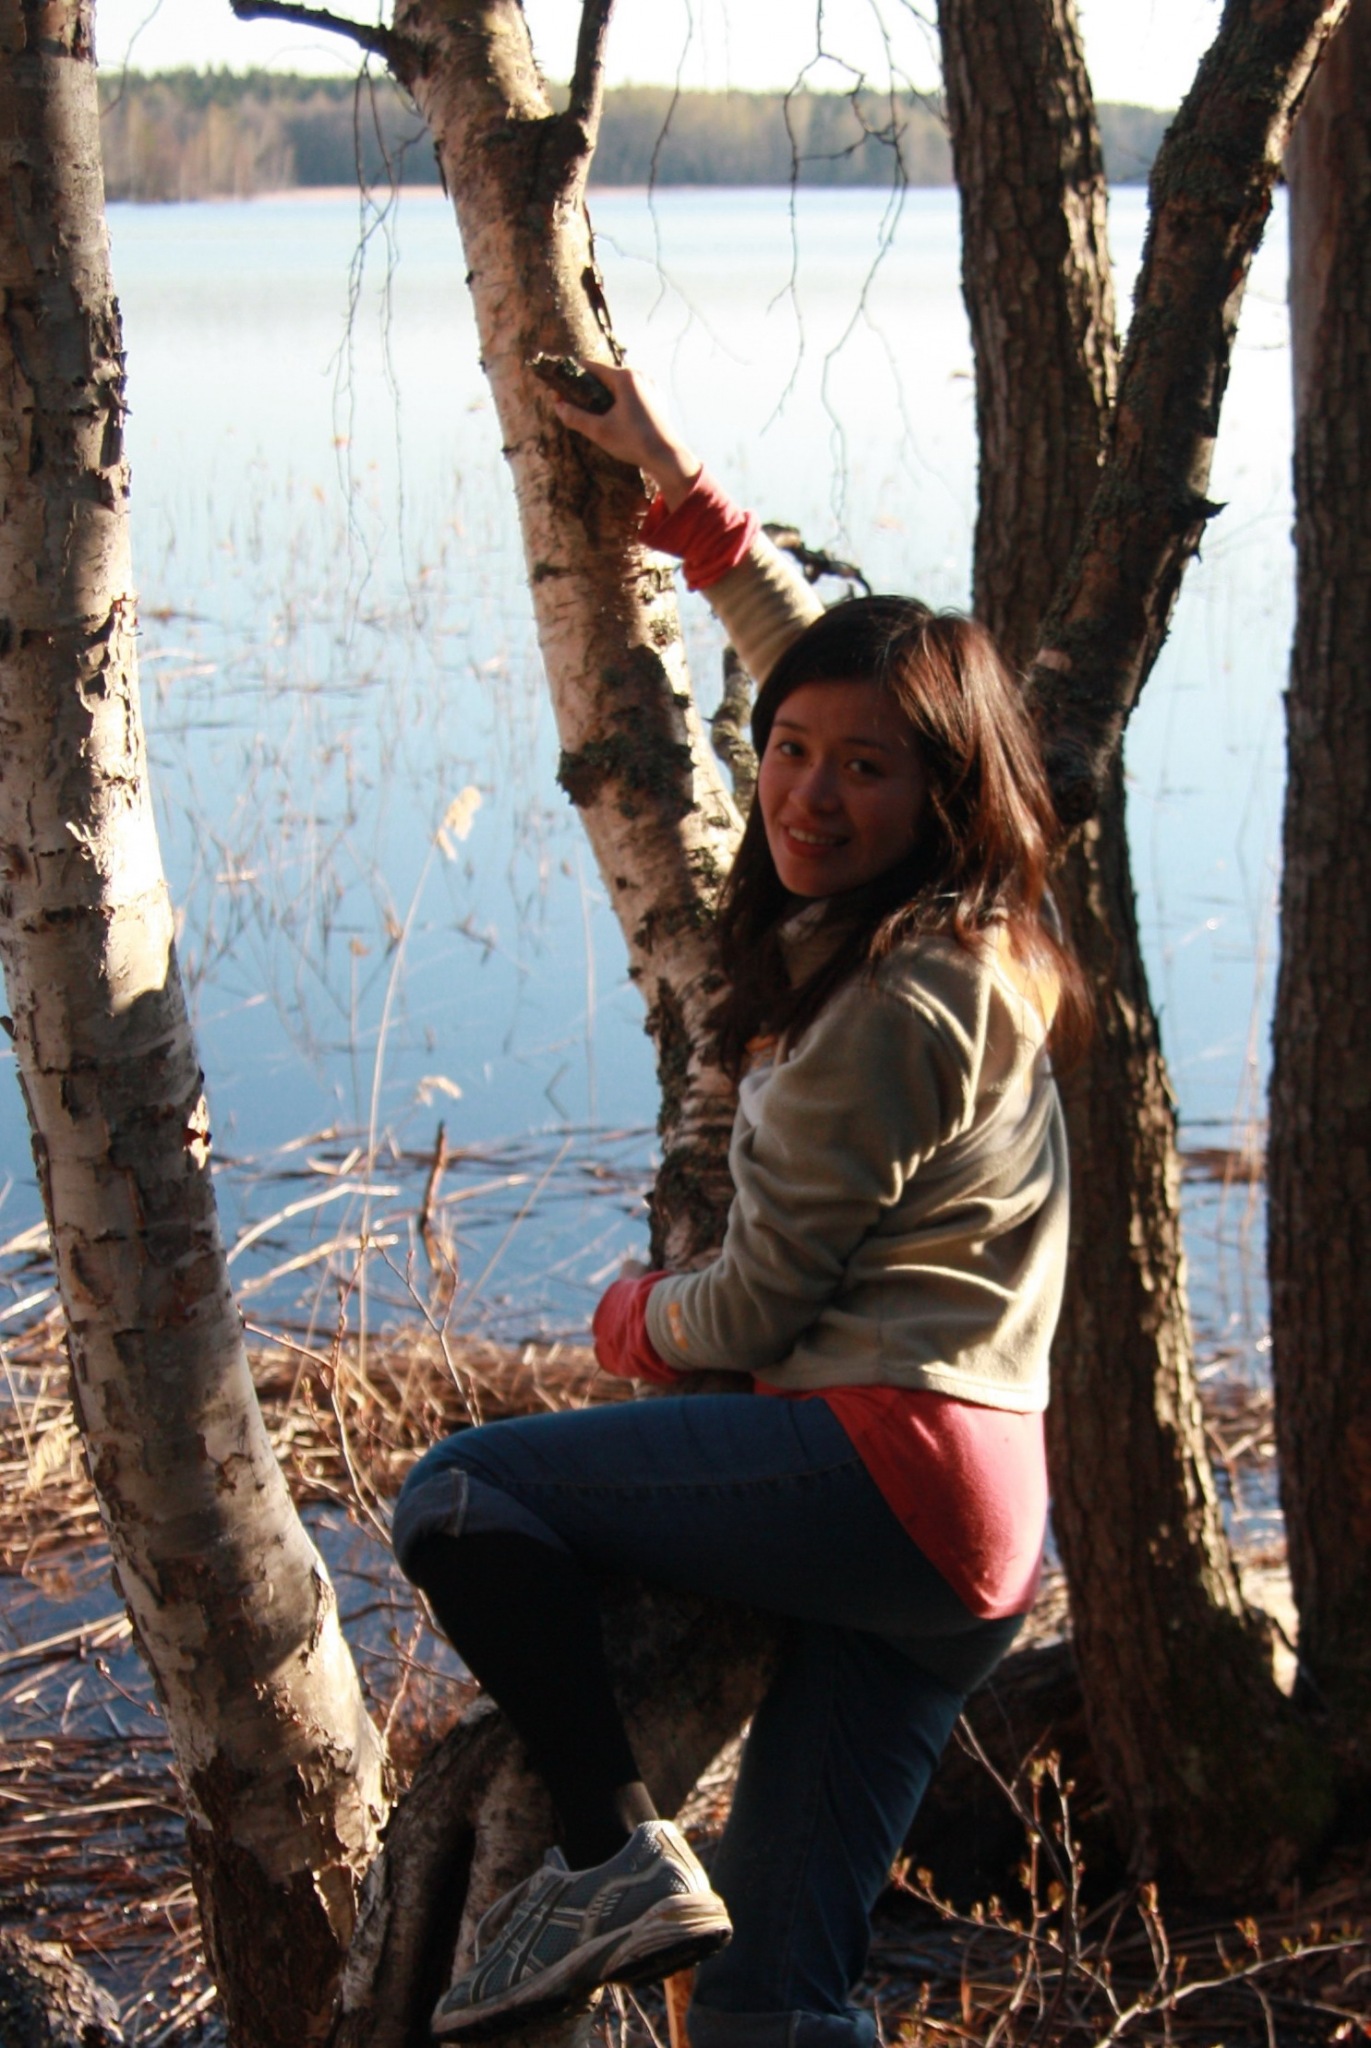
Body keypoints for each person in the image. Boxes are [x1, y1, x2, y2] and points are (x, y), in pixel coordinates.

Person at [391, 365, 1091, 2047]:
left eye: (864, 771)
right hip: (984, 1532)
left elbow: (761, 1306)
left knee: (463, 1495)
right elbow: (815, 667)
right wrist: (689, 504)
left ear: (943, 794)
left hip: (884, 1469)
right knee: (773, 1999)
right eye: (788, 752)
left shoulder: (890, 1010)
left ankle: (609, 1856)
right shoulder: (983, 935)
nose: (806, 794)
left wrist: (636, 1318)